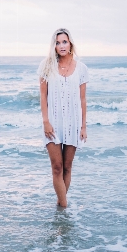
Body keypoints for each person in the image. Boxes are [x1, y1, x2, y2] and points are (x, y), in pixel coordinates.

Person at [37, 28, 89, 208]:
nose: (61, 46)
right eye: (58, 43)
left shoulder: (81, 68)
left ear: (70, 43)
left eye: (64, 42)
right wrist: (45, 121)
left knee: (67, 167)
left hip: (73, 123)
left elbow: (83, 99)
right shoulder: (46, 66)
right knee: (57, 167)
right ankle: (64, 207)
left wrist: (83, 126)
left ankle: (60, 207)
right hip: (52, 123)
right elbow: (43, 96)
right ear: (54, 46)